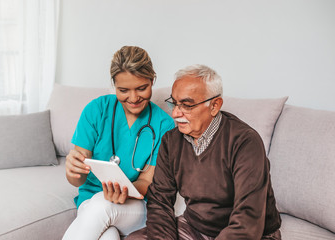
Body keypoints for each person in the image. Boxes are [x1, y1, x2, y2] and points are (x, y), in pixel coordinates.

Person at [126, 64, 282, 240]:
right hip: (195, 228)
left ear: (214, 106)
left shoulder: (245, 142)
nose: (176, 113)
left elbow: (247, 221)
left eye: (186, 105)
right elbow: (160, 202)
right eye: (174, 103)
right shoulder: (171, 141)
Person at [62, 46, 174, 240]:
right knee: (109, 236)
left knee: (101, 206)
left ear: (152, 80)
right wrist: (73, 170)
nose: (133, 98)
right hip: (89, 202)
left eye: (141, 88)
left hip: (136, 206)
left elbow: (147, 182)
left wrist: (125, 191)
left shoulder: (164, 124)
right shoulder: (97, 110)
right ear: (113, 85)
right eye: (123, 90)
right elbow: (78, 179)